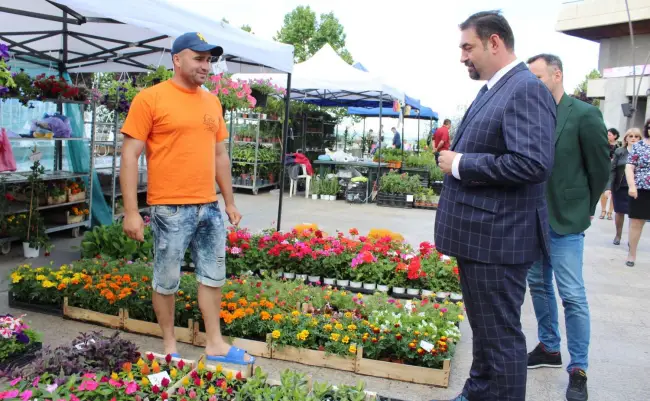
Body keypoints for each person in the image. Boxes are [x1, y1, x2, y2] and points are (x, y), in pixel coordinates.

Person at [433, 11, 555, 401]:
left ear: (495, 42)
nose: (463, 56)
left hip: (498, 241)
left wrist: (462, 163)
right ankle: (478, 391)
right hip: (484, 239)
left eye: (468, 47)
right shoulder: (495, 89)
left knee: (500, 338)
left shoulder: (524, 89)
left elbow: (533, 162)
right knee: (486, 332)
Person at [120, 32, 253, 365]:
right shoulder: (150, 99)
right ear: (177, 59)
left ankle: (215, 344)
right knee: (166, 280)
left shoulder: (212, 101)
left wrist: (230, 202)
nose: (205, 65)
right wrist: (131, 211)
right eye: (199, 58)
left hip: (208, 206)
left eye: (209, 60)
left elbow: (220, 154)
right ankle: (169, 344)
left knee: (213, 275)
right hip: (169, 208)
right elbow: (129, 154)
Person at [526, 54, 610, 401]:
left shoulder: (585, 114)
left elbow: (601, 169)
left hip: (567, 218)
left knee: (572, 295)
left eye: (538, 77)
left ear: (557, 75)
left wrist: (585, 208)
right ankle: (548, 346)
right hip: (533, 218)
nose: (533, 85)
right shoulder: (532, 112)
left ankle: (578, 368)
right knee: (537, 283)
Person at [606, 128, 642, 245]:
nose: (633, 139)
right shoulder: (619, 151)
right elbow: (612, 170)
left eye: (636, 137)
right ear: (626, 138)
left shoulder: (644, 151)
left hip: (637, 188)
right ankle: (618, 235)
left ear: (640, 139)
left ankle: (632, 239)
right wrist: (608, 187)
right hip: (620, 187)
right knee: (619, 212)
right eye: (630, 136)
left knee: (635, 215)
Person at [625, 119, 650, 266]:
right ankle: (631, 253)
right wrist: (632, 186)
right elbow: (629, 167)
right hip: (641, 189)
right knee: (636, 222)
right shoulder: (639, 146)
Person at [599, 128, 620, 220]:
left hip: (615, 170)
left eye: (610, 134)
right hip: (604, 169)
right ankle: (603, 210)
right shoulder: (603, 144)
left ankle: (610, 212)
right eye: (607, 134)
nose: (608, 136)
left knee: (613, 192)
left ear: (615, 136)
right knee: (603, 190)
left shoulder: (620, 146)